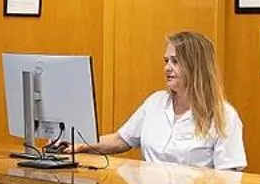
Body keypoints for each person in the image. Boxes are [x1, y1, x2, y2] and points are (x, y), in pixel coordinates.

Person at [75, 30, 246, 170]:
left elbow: (229, 179)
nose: (167, 68)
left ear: (196, 66)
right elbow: (121, 140)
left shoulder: (224, 116)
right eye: (166, 61)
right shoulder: (155, 102)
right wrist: (80, 143)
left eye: (175, 62)